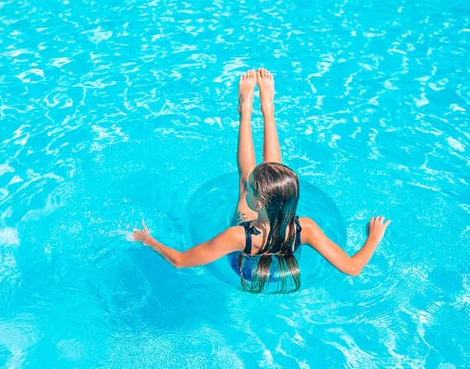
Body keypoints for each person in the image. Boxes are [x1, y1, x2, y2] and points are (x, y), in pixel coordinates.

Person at [132, 69, 391, 293]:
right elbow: (354, 268)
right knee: (270, 172)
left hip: (244, 260)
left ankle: (245, 110)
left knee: (246, 176)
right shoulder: (307, 228)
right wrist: (373, 237)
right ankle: (268, 109)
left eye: (251, 192)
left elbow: (179, 260)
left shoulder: (237, 236)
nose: (249, 192)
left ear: (257, 203)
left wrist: (148, 240)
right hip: (281, 239)